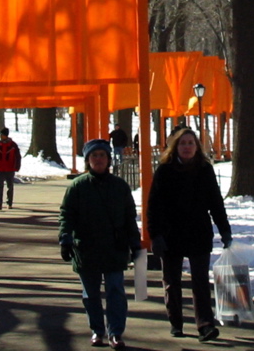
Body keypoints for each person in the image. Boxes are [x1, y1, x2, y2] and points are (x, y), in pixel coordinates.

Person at [147, 128, 232, 342]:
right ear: (176, 146)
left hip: (198, 232)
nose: (187, 147)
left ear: (197, 147)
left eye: (191, 143)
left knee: (201, 282)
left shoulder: (205, 170)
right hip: (171, 234)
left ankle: (205, 324)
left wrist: (225, 231)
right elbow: (154, 206)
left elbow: (216, 203)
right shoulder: (165, 171)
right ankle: (176, 321)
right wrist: (155, 235)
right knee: (172, 281)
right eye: (183, 143)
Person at [59, 139, 141, 350]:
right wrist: (65, 239)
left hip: (115, 246)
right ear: (88, 160)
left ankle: (116, 332)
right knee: (91, 293)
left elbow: (129, 216)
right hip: (86, 247)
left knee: (115, 291)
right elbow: (66, 214)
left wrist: (135, 242)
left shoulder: (120, 187)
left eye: (102, 155)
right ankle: (97, 330)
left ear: (108, 159)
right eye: (94, 156)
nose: (98, 159)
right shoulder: (77, 187)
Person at [0, 127, 21, 210]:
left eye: (2, 135)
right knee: (0, 186)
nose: (1, 136)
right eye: (0, 135)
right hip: (0, 168)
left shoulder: (13, 145)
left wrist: (17, 167)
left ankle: (9, 202)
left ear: (6, 135)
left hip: (10, 168)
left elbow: (18, 157)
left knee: (10, 186)